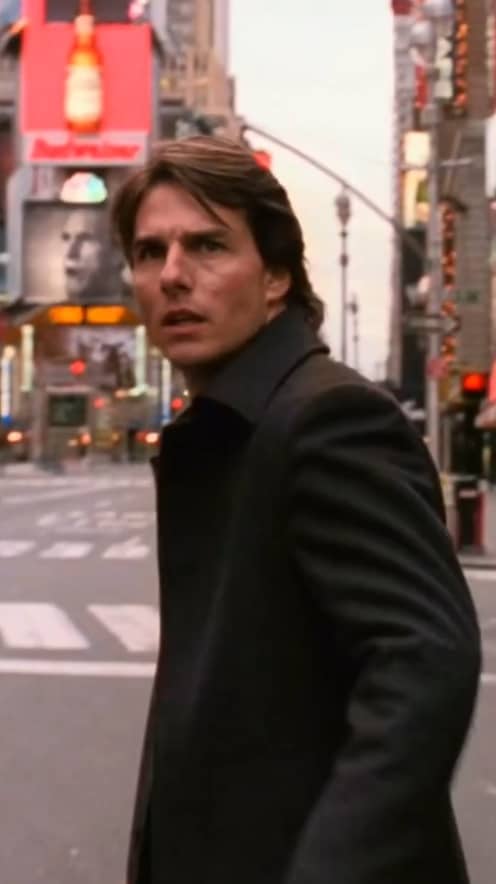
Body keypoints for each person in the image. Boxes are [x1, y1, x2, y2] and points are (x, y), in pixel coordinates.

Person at [112, 136, 481, 884]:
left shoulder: (327, 418)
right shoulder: (227, 431)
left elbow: (422, 660)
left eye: (208, 245)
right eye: (150, 252)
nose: (173, 275)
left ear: (277, 276)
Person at [61, 207, 125, 304]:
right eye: (66, 238)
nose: (70, 252)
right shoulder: (48, 312)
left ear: (118, 253)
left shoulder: (142, 310)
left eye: (85, 238)